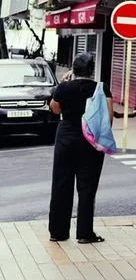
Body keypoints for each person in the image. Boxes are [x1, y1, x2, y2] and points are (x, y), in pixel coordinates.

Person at [48, 53, 112, 244]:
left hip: (66, 138)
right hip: (90, 141)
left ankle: (58, 232)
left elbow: (55, 109)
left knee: (61, 184)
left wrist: (62, 85)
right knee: (87, 187)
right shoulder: (101, 88)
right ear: (92, 70)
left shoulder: (64, 87)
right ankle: (84, 233)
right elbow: (108, 118)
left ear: (73, 70)